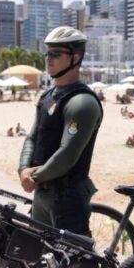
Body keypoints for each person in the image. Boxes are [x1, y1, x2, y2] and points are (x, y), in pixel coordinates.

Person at [18, 26, 103, 237]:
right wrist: (23, 169)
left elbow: (67, 154)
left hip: (68, 194)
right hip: (43, 191)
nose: (49, 58)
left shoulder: (81, 102)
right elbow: (33, 137)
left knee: (74, 265)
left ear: (75, 58)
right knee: (37, 256)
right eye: (47, 53)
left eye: (56, 54)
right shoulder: (48, 96)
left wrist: (34, 176)